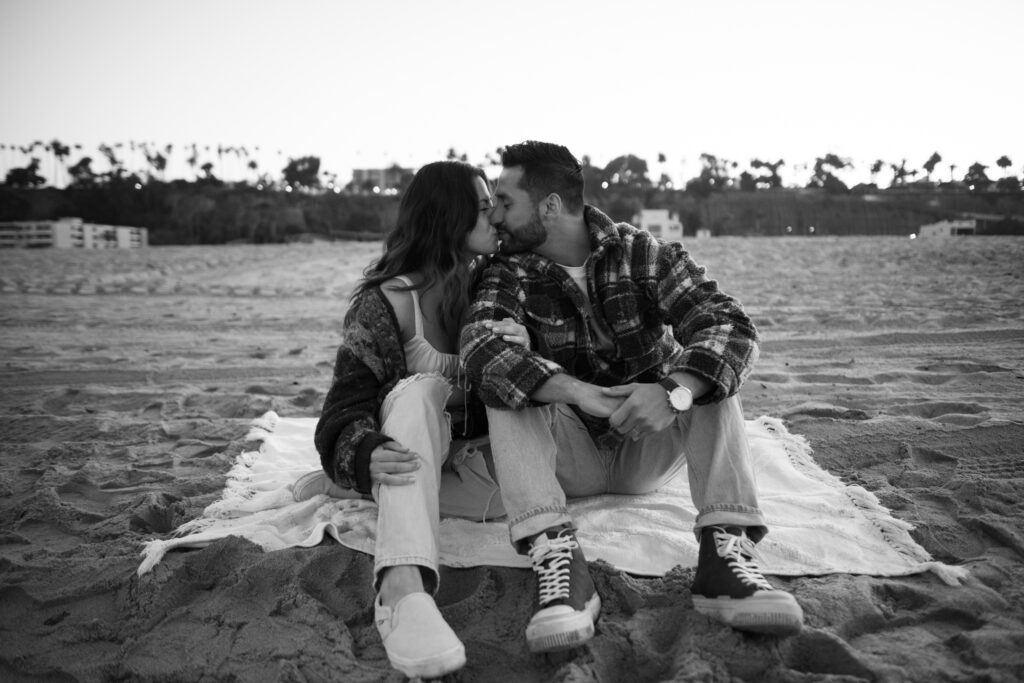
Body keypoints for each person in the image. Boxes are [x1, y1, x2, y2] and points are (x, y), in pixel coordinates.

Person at [460, 141, 804, 653]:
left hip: (645, 443)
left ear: (550, 205)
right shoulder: (506, 271)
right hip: (568, 454)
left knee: (708, 369)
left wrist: (674, 393)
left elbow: (731, 326)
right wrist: (578, 392)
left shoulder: (640, 254)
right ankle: (557, 559)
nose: (497, 217)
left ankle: (724, 555)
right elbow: (480, 351)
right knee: (504, 378)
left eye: (506, 203)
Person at [308, 160, 529, 679]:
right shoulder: (386, 303)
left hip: (467, 461)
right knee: (424, 387)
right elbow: (343, 409)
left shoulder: (492, 288)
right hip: (407, 439)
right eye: (481, 208)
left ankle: (357, 488)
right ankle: (401, 587)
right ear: (447, 217)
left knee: (515, 499)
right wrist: (360, 452)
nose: (495, 219)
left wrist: (526, 348)